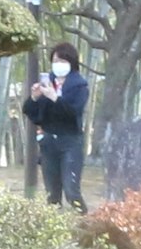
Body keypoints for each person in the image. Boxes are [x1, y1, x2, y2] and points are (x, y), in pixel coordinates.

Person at [22, 43, 90, 209]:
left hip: (70, 142)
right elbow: (31, 112)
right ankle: (55, 229)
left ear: (71, 62)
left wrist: (55, 98)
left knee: (71, 191)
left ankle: (84, 223)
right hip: (49, 142)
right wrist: (34, 97)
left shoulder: (79, 86)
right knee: (52, 194)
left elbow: (73, 112)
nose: (58, 64)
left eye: (62, 60)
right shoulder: (47, 83)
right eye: (55, 60)